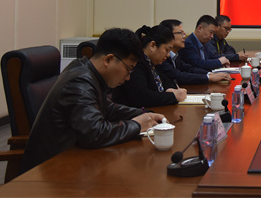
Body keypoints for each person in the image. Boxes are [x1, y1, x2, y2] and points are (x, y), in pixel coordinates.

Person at [21, 28, 166, 172]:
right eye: (128, 69)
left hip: (73, 158)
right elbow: (94, 133)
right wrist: (137, 125)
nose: (128, 77)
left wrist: (144, 114)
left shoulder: (86, 70)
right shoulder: (79, 82)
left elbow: (107, 108)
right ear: (108, 59)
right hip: (53, 169)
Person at [112, 25, 187, 108]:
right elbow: (142, 97)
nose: (168, 55)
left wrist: (170, 89)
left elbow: (168, 82)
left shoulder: (152, 62)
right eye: (166, 50)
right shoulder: (137, 62)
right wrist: (173, 96)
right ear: (152, 45)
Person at [157, 19, 231, 85]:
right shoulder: (162, 58)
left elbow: (188, 68)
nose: (184, 36)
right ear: (168, 35)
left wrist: (209, 74)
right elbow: (180, 75)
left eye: (183, 33)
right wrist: (209, 77)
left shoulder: (175, 56)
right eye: (180, 33)